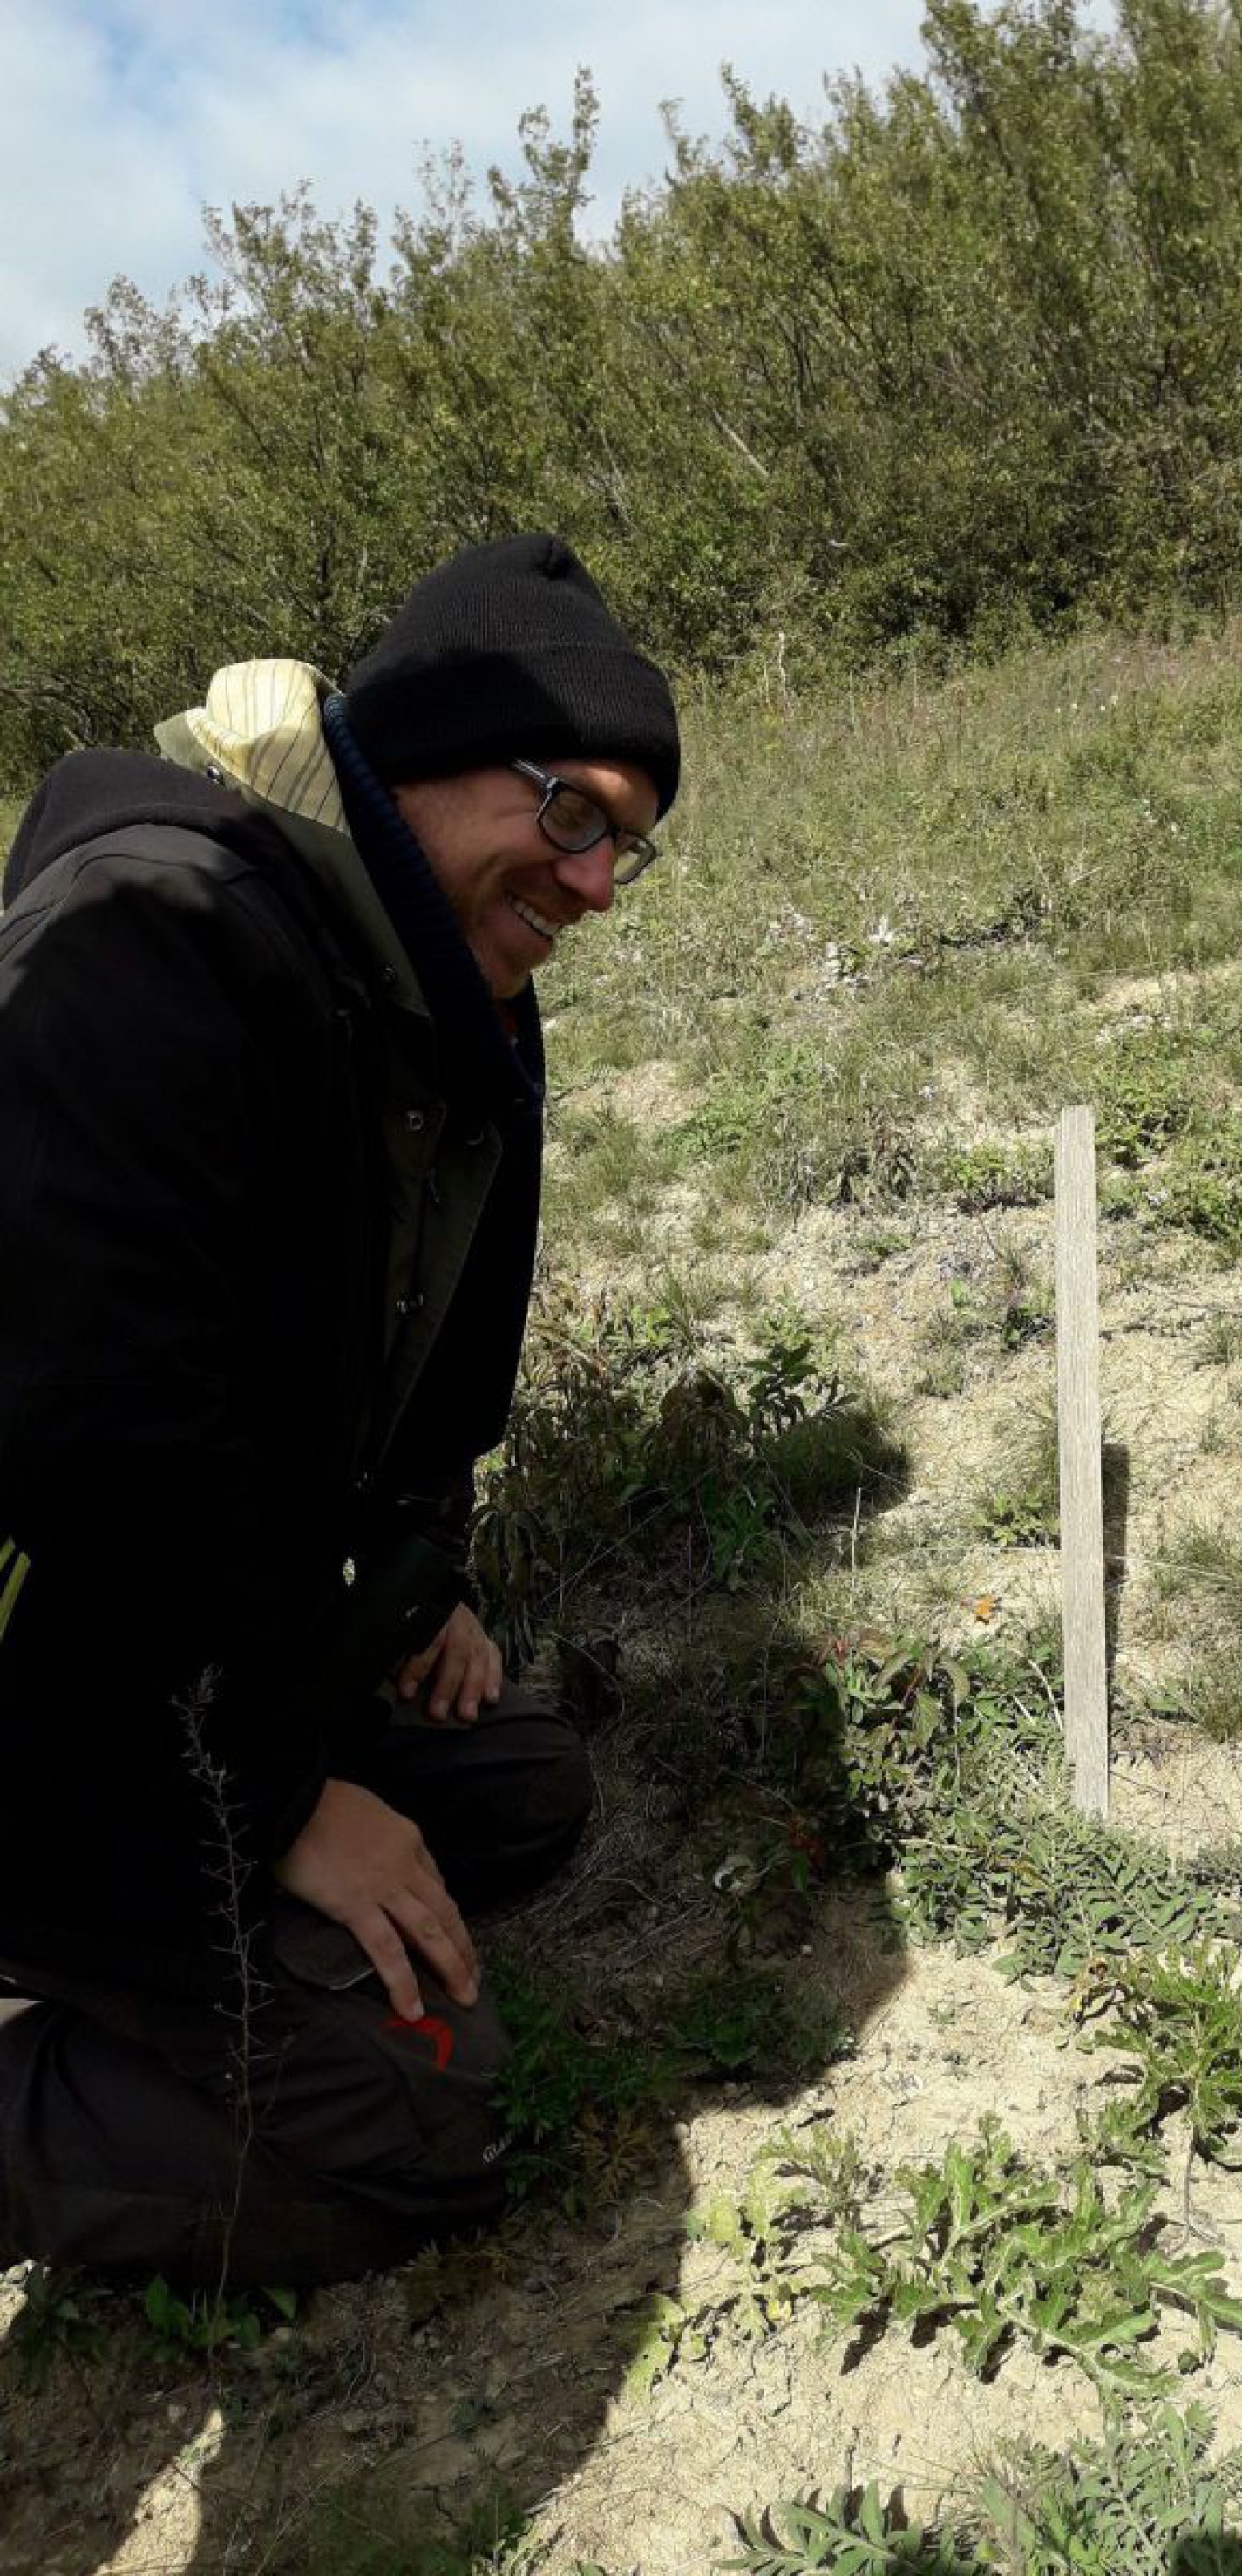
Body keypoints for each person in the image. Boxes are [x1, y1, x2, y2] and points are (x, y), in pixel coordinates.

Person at [0, 533, 679, 2286]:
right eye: (575, 812)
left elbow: (424, 1390)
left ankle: (175, 1926)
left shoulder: (453, 1001)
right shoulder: (148, 939)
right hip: (45, 1671)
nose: (599, 883)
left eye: (630, 844)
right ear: (421, 755)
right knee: (427, 2116)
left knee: (517, 1783)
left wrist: (413, 1568)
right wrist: (275, 1794)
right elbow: (85, 1459)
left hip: (175, 1644)